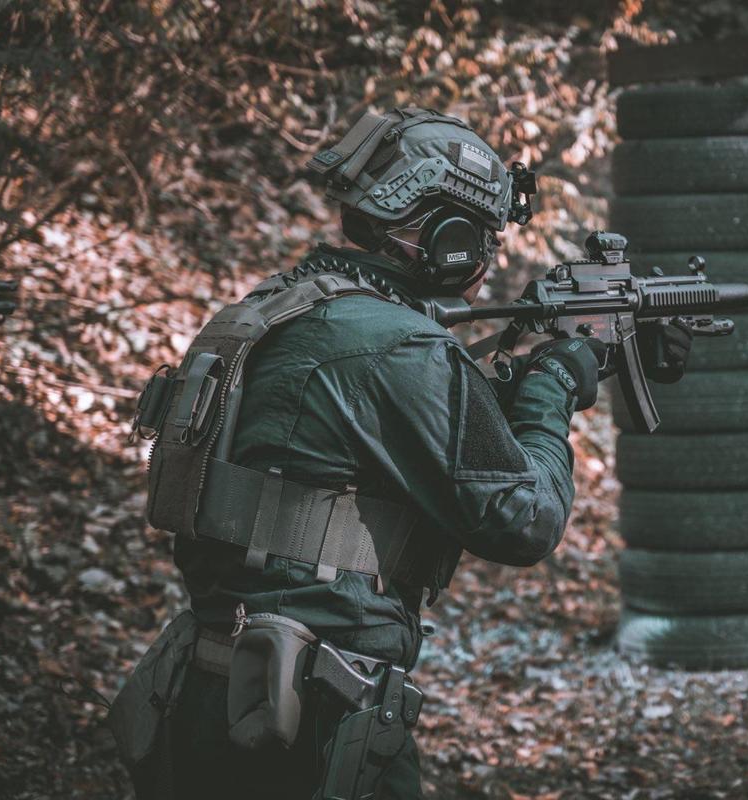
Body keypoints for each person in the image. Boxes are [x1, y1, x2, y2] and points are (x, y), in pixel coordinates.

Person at [108, 107, 692, 799]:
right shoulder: (402, 347)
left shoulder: (277, 309)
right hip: (308, 716)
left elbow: (376, 443)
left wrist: (530, 372)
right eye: (483, 238)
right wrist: (553, 388)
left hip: (206, 690)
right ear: (447, 238)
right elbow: (522, 519)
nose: (486, 262)